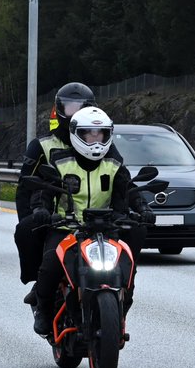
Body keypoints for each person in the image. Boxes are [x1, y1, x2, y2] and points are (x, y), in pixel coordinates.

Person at [29, 106, 152, 336]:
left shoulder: (114, 164)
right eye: (89, 134)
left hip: (105, 230)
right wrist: (41, 209)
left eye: (101, 134)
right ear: (77, 134)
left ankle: (122, 306)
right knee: (50, 264)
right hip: (67, 228)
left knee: (127, 264)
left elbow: (129, 190)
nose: (95, 139)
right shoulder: (60, 162)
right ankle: (43, 310)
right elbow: (44, 190)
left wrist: (142, 207)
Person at [14, 82, 97, 303]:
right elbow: (25, 187)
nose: (74, 113)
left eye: (81, 108)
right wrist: (33, 219)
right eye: (70, 108)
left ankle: (124, 293)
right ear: (59, 109)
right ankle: (38, 287)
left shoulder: (102, 144)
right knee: (26, 230)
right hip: (58, 220)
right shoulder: (43, 146)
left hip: (97, 221)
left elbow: (120, 177)